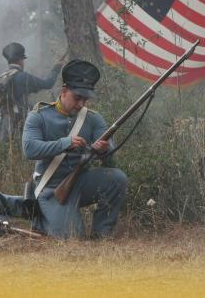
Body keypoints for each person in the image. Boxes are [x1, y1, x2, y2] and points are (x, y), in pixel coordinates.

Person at [22, 60, 127, 240]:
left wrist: (102, 150)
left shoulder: (94, 119)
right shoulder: (39, 115)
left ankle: (102, 234)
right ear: (64, 92)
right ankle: (43, 217)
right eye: (77, 98)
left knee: (117, 178)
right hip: (50, 188)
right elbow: (30, 149)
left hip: (80, 182)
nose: (81, 104)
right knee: (73, 237)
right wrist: (65, 143)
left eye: (85, 99)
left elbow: (110, 159)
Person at [0, 42, 63, 141]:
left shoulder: (1, 77)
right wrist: (56, 68)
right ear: (20, 60)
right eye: (23, 60)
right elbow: (48, 83)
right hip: (19, 123)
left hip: (2, 122)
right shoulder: (23, 76)